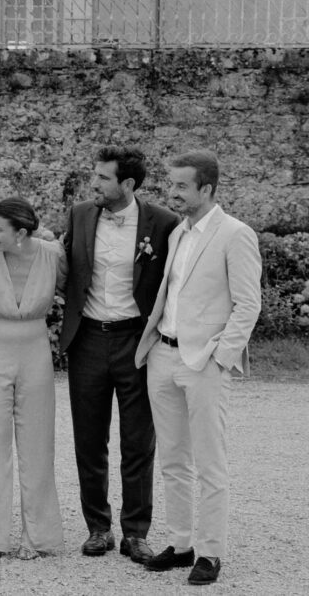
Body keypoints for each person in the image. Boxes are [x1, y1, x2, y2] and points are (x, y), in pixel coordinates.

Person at [135, 150, 261, 586]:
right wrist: (153, 348)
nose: (171, 193)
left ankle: (210, 552)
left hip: (204, 361)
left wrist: (220, 358)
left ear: (206, 188)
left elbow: (248, 305)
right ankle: (181, 543)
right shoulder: (177, 234)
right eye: (171, 185)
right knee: (172, 459)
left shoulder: (235, 234)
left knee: (210, 462)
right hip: (163, 355)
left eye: (181, 186)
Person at [60, 147, 179, 562]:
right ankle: (97, 528)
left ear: (127, 184)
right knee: (89, 440)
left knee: (138, 441)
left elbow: (175, 281)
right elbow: (64, 267)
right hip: (88, 338)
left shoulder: (163, 222)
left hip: (136, 340)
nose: (95, 184)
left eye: (103, 178)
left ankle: (135, 532)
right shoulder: (80, 214)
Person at [0, 197, 66, 560]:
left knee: (38, 442)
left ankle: (36, 536)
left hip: (35, 348)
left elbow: (72, 290)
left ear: (22, 233)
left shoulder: (52, 254)